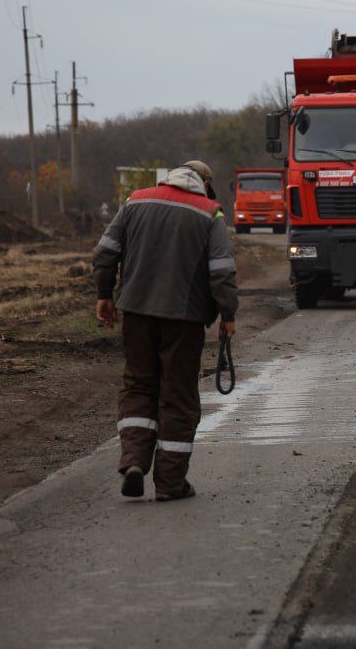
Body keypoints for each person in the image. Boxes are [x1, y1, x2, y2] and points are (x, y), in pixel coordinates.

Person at [92, 161, 238, 502]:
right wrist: (228, 315)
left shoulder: (136, 200)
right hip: (184, 321)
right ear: (204, 183)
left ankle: (133, 462)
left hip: (136, 314)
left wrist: (103, 295)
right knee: (178, 396)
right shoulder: (210, 213)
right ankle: (171, 483)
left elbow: (104, 253)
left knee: (138, 384)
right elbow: (221, 272)